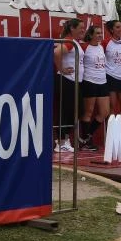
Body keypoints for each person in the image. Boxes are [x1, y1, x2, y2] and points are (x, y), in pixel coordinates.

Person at [52, 18, 85, 153]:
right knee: (65, 112)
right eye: (81, 28)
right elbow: (57, 52)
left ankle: (64, 140)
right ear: (72, 28)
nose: (83, 30)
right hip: (67, 81)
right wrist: (62, 69)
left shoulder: (74, 42)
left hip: (74, 81)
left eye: (84, 28)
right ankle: (60, 142)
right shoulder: (69, 42)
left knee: (75, 111)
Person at [79, 25, 108, 151]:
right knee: (88, 112)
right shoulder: (85, 47)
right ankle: (86, 142)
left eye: (101, 33)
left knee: (104, 112)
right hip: (89, 81)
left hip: (102, 81)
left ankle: (86, 136)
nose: (100, 35)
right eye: (97, 33)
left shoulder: (102, 47)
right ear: (90, 35)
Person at [103, 19, 121, 131]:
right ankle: (111, 136)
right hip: (111, 77)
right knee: (111, 108)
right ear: (111, 29)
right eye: (117, 27)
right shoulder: (106, 43)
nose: (120, 29)